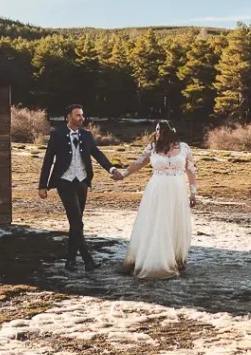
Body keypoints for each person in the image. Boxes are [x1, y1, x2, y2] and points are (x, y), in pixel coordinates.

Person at [38, 104, 121, 271]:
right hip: (64, 182)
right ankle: (87, 260)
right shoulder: (57, 135)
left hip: (82, 183)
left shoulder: (86, 135)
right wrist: (43, 185)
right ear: (68, 117)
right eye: (77, 115)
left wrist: (111, 169)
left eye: (82, 115)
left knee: (75, 224)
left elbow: (97, 154)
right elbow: (48, 160)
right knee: (77, 222)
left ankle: (70, 261)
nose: (81, 118)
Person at [116, 121, 197, 279]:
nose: (157, 132)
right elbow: (138, 163)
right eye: (156, 129)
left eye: (159, 129)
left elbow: (191, 170)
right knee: (158, 222)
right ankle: (156, 260)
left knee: (174, 222)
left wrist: (193, 192)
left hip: (177, 190)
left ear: (168, 131)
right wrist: (123, 175)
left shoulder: (184, 148)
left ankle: (175, 259)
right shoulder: (153, 147)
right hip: (157, 189)